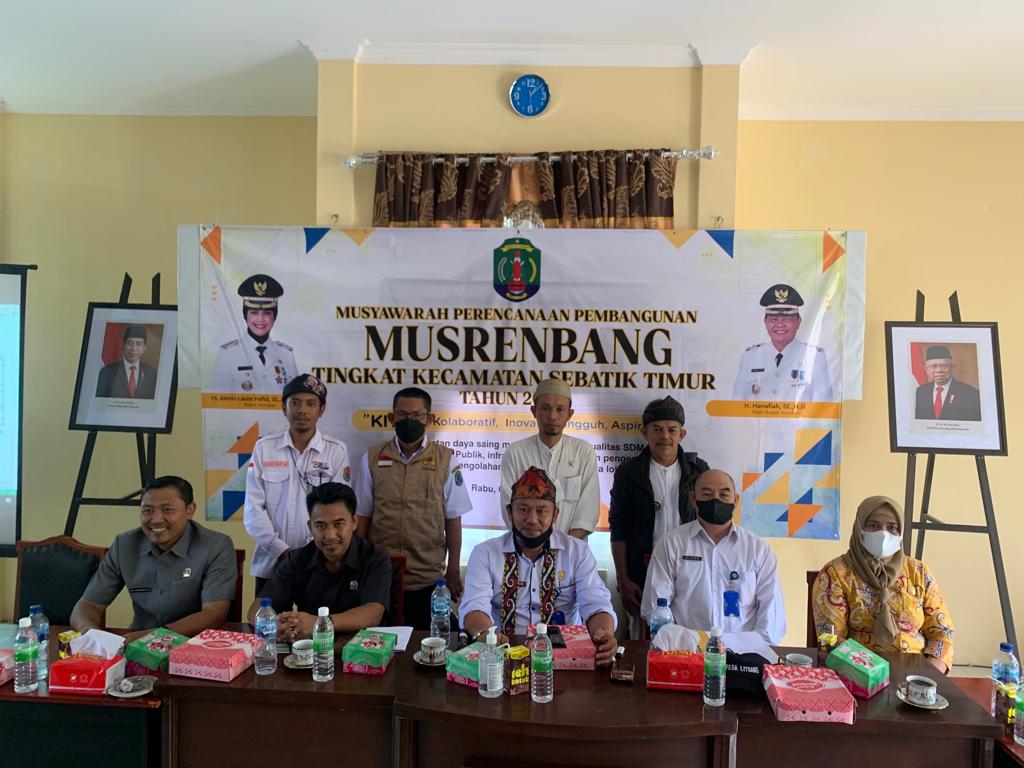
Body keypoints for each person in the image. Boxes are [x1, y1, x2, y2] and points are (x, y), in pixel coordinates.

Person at [460, 466, 617, 667]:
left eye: (542, 511)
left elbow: (595, 603)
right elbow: (474, 606)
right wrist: (484, 635)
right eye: (523, 509)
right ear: (509, 512)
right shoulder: (485, 553)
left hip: (567, 660)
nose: (532, 520)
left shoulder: (577, 552)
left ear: (555, 514)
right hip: (502, 657)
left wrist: (604, 633)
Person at [354, 387, 471, 630]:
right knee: (379, 641)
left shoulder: (446, 460)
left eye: (417, 415)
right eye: (403, 415)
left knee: (431, 642)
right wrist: (357, 563)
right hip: (381, 573)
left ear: (429, 419)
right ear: (392, 418)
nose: (410, 420)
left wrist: (453, 568)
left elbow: (453, 519)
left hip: (427, 577)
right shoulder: (372, 458)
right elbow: (363, 515)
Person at [71, 476, 236, 641]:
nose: (156, 520)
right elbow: (88, 605)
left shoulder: (215, 546)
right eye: (148, 510)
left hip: (193, 645)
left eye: (167, 510)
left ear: (189, 510)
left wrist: (153, 636)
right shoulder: (125, 545)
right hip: (135, 645)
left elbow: (214, 613)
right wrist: (91, 635)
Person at [813, 495, 954, 674]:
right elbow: (832, 641)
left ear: (900, 533)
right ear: (859, 528)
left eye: (892, 527)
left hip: (916, 675)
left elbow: (942, 633)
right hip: (857, 674)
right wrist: (875, 677)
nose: (883, 534)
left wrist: (929, 677)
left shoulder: (919, 572)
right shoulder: (835, 574)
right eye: (873, 525)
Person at [641, 469, 785, 643]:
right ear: (693, 499)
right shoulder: (671, 544)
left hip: (743, 651)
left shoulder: (758, 550)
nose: (716, 500)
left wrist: (755, 649)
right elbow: (655, 606)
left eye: (724, 494)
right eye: (707, 494)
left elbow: (772, 616)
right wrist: (680, 644)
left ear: (735, 500)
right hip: (686, 649)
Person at [609, 395, 709, 638]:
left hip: (691, 569)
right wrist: (623, 580)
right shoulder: (628, 473)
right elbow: (619, 529)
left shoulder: (699, 471)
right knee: (643, 636)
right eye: (657, 429)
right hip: (642, 571)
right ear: (645, 432)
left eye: (671, 429)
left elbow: (709, 528)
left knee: (689, 639)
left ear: (681, 434)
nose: (664, 436)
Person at [245, 373, 349, 594]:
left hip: (319, 560)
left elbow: (340, 510)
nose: (302, 410)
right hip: (271, 560)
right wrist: (280, 550)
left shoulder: (336, 451)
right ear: (284, 408)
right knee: (266, 615)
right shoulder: (264, 448)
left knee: (316, 616)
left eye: (310, 403)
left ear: (322, 409)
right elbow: (253, 509)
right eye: (295, 403)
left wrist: (309, 551)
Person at [248, 482, 392, 642]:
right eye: (320, 525)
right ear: (310, 527)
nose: (330, 535)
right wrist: (278, 626)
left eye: (339, 524)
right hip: (311, 650)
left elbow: (373, 614)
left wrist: (319, 623)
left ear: (354, 522)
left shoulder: (374, 557)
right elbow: (256, 609)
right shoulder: (297, 560)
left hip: (363, 649)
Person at [499, 377, 599, 538]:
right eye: (545, 408)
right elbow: (510, 510)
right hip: (526, 548)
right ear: (534, 411)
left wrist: (563, 548)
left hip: (572, 549)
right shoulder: (515, 453)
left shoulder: (583, 452)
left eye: (560, 409)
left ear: (570, 414)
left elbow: (587, 513)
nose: (552, 416)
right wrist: (536, 548)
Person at [732, 283, 834, 402]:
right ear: (765, 322)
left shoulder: (815, 357)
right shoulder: (750, 357)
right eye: (773, 319)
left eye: (787, 319)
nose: (780, 324)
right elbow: (737, 403)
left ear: (798, 321)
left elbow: (822, 405)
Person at [212, 273, 298, 393]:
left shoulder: (286, 354)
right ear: (245, 316)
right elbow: (219, 399)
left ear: (275, 317)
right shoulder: (228, 354)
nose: (260, 319)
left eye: (267, 313)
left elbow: (293, 397)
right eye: (254, 312)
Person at [913, 345, 982, 421]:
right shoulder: (921, 391)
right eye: (933, 366)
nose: (939, 370)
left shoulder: (971, 394)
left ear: (952, 367)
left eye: (943, 366)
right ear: (926, 369)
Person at [95, 324, 157, 399]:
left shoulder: (151, 373)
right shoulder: (106, 372)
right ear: (123, 345)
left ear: (144, 348)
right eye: (129, 343)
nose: (133, 348)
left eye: (138, 344)